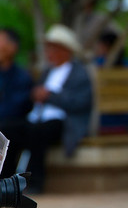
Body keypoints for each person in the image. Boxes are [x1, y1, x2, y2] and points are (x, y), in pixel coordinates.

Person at [7, 25, 93, 192]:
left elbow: (80, 103)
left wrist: (49, 96)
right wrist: (36, 94)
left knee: (37, 132)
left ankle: (34, 182)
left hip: (63, 122)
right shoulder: (48, 71)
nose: (48, 52)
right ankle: (6, 182)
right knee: (8, 129)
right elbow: (35, 94)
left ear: (65, 50)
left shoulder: (79, 73)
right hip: (37, 118)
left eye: (52, 48)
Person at [0, 27, 33, 178]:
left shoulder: (22, 76)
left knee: (7, 128)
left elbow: (16, 108)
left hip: (14, 124)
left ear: (13, 47)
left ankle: (5, 180)